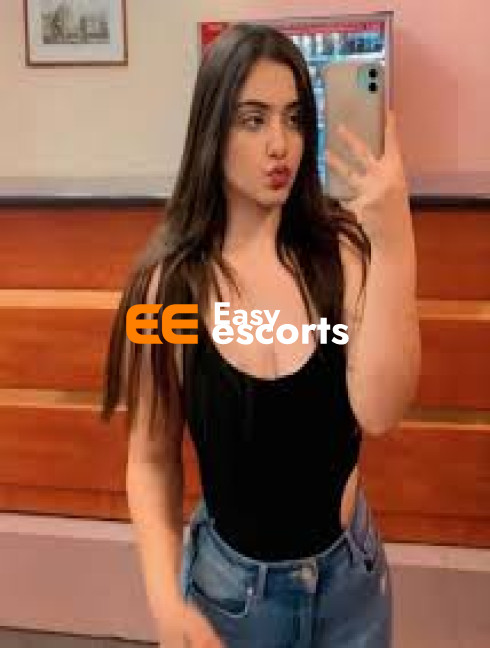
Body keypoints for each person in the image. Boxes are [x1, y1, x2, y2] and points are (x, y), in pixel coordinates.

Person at [101, 23, 420, 648]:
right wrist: (165, 601)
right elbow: (151, 458)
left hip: (350, 583)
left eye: (294, 118)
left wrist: (394, 242)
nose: (281, 144)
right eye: (253, 120)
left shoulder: (342, 255)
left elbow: (381, 412)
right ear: (211, 130)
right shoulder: (167, 290)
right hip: (232, 598)